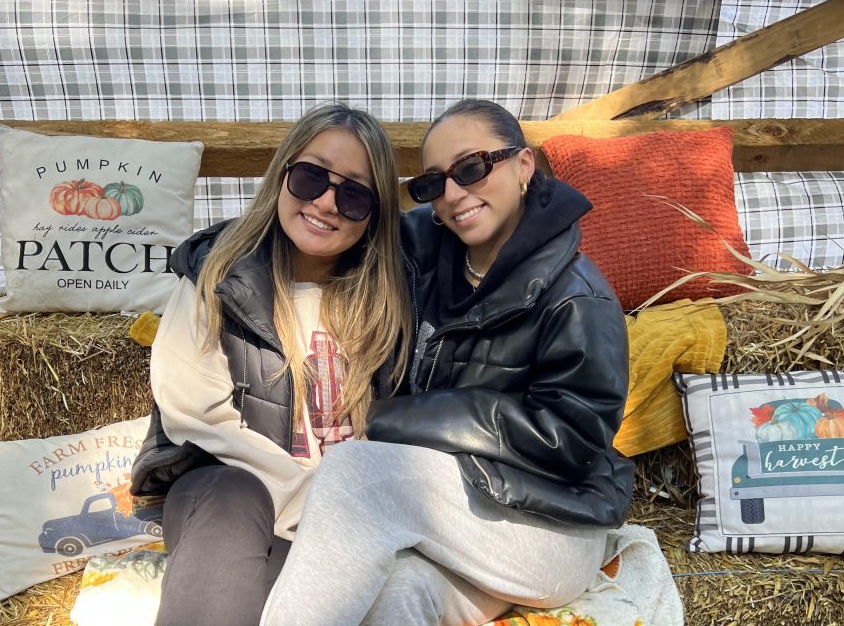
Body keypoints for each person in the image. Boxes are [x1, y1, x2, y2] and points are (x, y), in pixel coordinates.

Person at [259, 99, 633, 626]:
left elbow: (571, 442)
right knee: (396, 593)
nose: (454, 194)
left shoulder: (578, 298)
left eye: (472, 168)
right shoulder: (424, 251)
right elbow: (315, 225)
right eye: (433, 183)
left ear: (523, 167)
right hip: (458, 516)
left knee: (355, 472)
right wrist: (213, 253)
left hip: (551, 526)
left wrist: (403, 421)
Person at [129, 103, 411, 626]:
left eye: (353, 194)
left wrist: (346, 512)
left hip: (346, 514)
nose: (326, 203)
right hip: (229, 488)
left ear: (376, 213)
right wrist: (316, 499)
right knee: (231, 500)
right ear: (282, 175)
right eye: (310, 178)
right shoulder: (217, 275)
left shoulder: (392, 302)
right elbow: (196, 419)